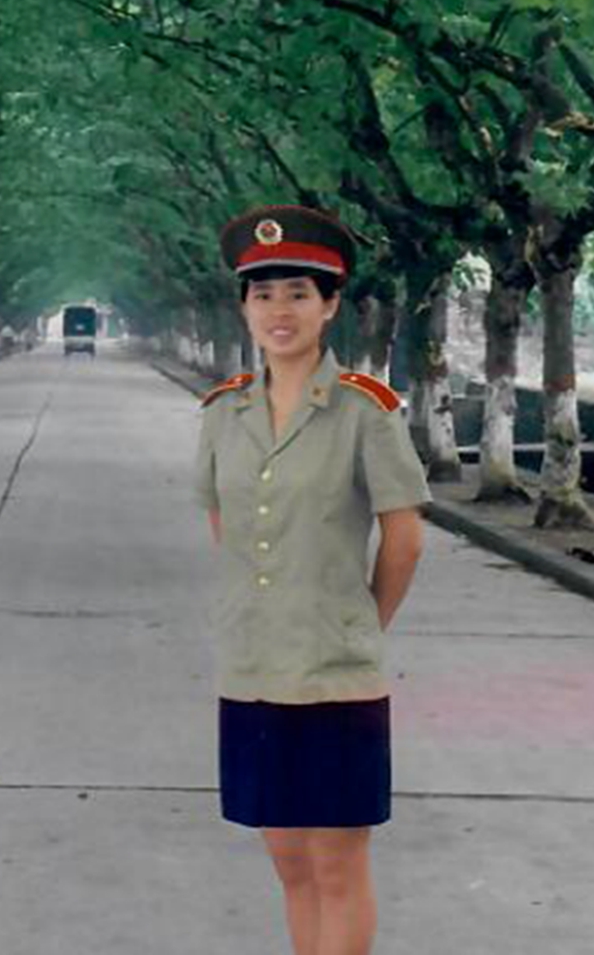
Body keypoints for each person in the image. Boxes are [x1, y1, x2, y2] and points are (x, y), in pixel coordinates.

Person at [195, 204, 431, 955]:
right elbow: (225, 524)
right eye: (263, 294)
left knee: (336, 863)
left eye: (298, 293)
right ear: (244, 306)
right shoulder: (224, 413)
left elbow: (404, 537)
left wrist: (359, 622)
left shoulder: (366, 411)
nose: (279, 310)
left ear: (330, 306)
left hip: (335, 678)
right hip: (253, 670)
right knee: (288, 861)